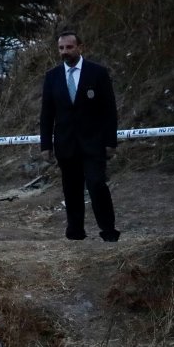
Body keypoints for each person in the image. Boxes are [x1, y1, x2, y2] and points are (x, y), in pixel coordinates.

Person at [39, 31, 119, 242]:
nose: (65, 51)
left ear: (80, 47)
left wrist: (111, 141)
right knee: (71, 189)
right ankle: (75, 232)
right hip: (66, 144)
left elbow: (109, 110)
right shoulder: (52, 76)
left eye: (69, 47)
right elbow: (47, 113)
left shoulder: (98, 73)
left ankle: (109, 231)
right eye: (61, 48)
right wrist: (46, 145)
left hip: (94, 143)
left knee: (97, 184)